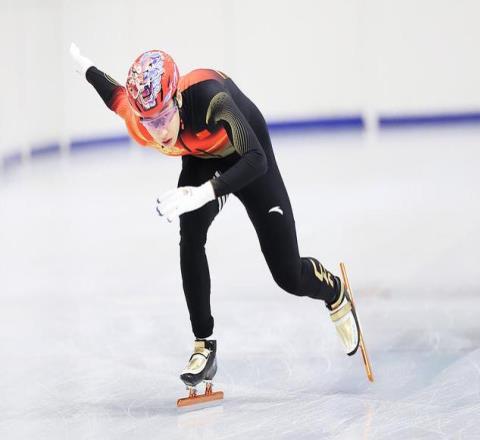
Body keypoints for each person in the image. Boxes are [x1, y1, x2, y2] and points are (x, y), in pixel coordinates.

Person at [70, 43, 360, 396]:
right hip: (201, 160)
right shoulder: (141, 123)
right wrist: (87, 68)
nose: (159, 131)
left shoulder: (212, 99)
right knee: (190, 236)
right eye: (149, 121)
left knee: (288, 275)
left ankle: (335, 292)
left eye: (163, 117)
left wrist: (206, 192)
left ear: (177, 99)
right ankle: (203, 346)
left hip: (247, 158)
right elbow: (114, 95)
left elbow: (256, 159)